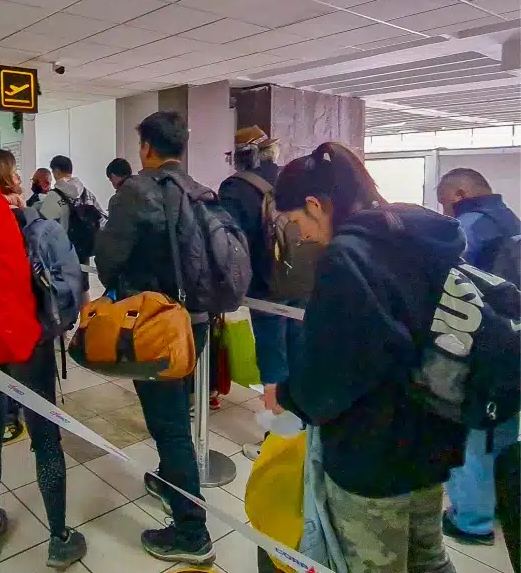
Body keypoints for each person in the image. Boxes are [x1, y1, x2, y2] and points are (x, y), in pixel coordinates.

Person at [270, 142, 464, 573]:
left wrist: (287, 393)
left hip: (374, 452)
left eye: (297, 221)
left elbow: (331, 377)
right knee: (429, 560)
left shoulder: (347, 258)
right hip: (434, 438)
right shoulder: (422, 236)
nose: (301, 234)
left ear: (316, 204)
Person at [95, 111, 214, 566]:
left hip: (156, 325)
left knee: (169, 425)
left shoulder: (136, 191)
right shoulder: (200, 190)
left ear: (146, 148)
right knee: (175, 408)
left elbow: (108, 257)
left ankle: (191, 530)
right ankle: (169, 481)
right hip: (198, 321)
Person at [0, 149, 86, 568]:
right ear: (9, 179)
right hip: (28, 345)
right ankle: (58, 536)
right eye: (14, 170)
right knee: (45, 438)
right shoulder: (39, 226)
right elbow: (69, 287)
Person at [436, 167, 521, 546]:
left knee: (470, 432)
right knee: (503, 428)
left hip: (480, 346)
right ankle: (504, 500)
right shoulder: (510, 219)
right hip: (514, 344)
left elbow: (447, 279)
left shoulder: (467, 227)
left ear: (460, 193)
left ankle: (470, 520)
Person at [218, 126, 305, 459]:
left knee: (272, 360)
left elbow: (228, 243)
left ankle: (278, 441)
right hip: (302, 282)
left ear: (241, 157)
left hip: (265, 287)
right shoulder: (292, 178)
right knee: (297, 351)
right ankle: (302, 433)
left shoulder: (236, 188)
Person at [37, 155, 105, 304]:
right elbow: (101, 217)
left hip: (62, 252)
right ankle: (86, 322)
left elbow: (43, 226)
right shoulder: (86, 192)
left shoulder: (53, 196)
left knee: (63, 289)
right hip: (83, 248)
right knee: (84, 288)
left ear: (56, 172)